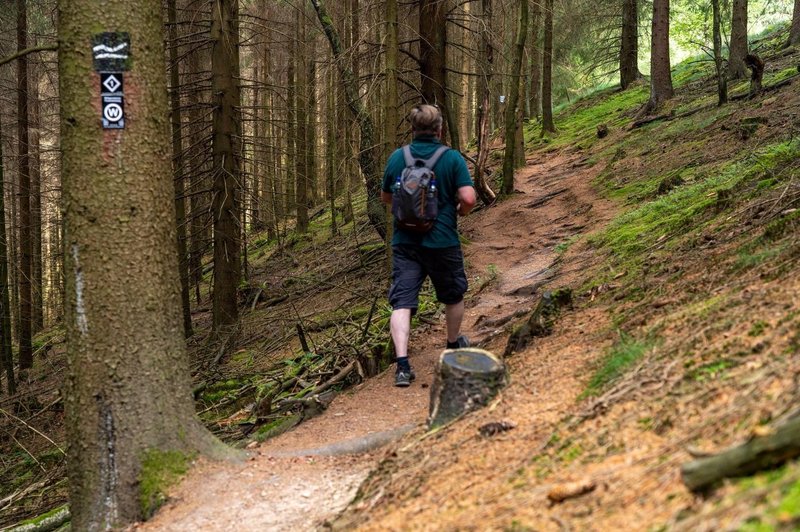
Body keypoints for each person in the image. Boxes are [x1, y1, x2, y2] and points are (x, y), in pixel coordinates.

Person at [381, 104, 477, 387]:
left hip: (405, 242)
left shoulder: (398, 158)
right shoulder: (452, 159)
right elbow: (469, 198)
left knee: (402, 302)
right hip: (442, 240)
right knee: (453, 294)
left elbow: (386, 197)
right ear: (439, 129)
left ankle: (402, 365)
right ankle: (451, 346)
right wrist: (459, 212)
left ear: (413, 129)